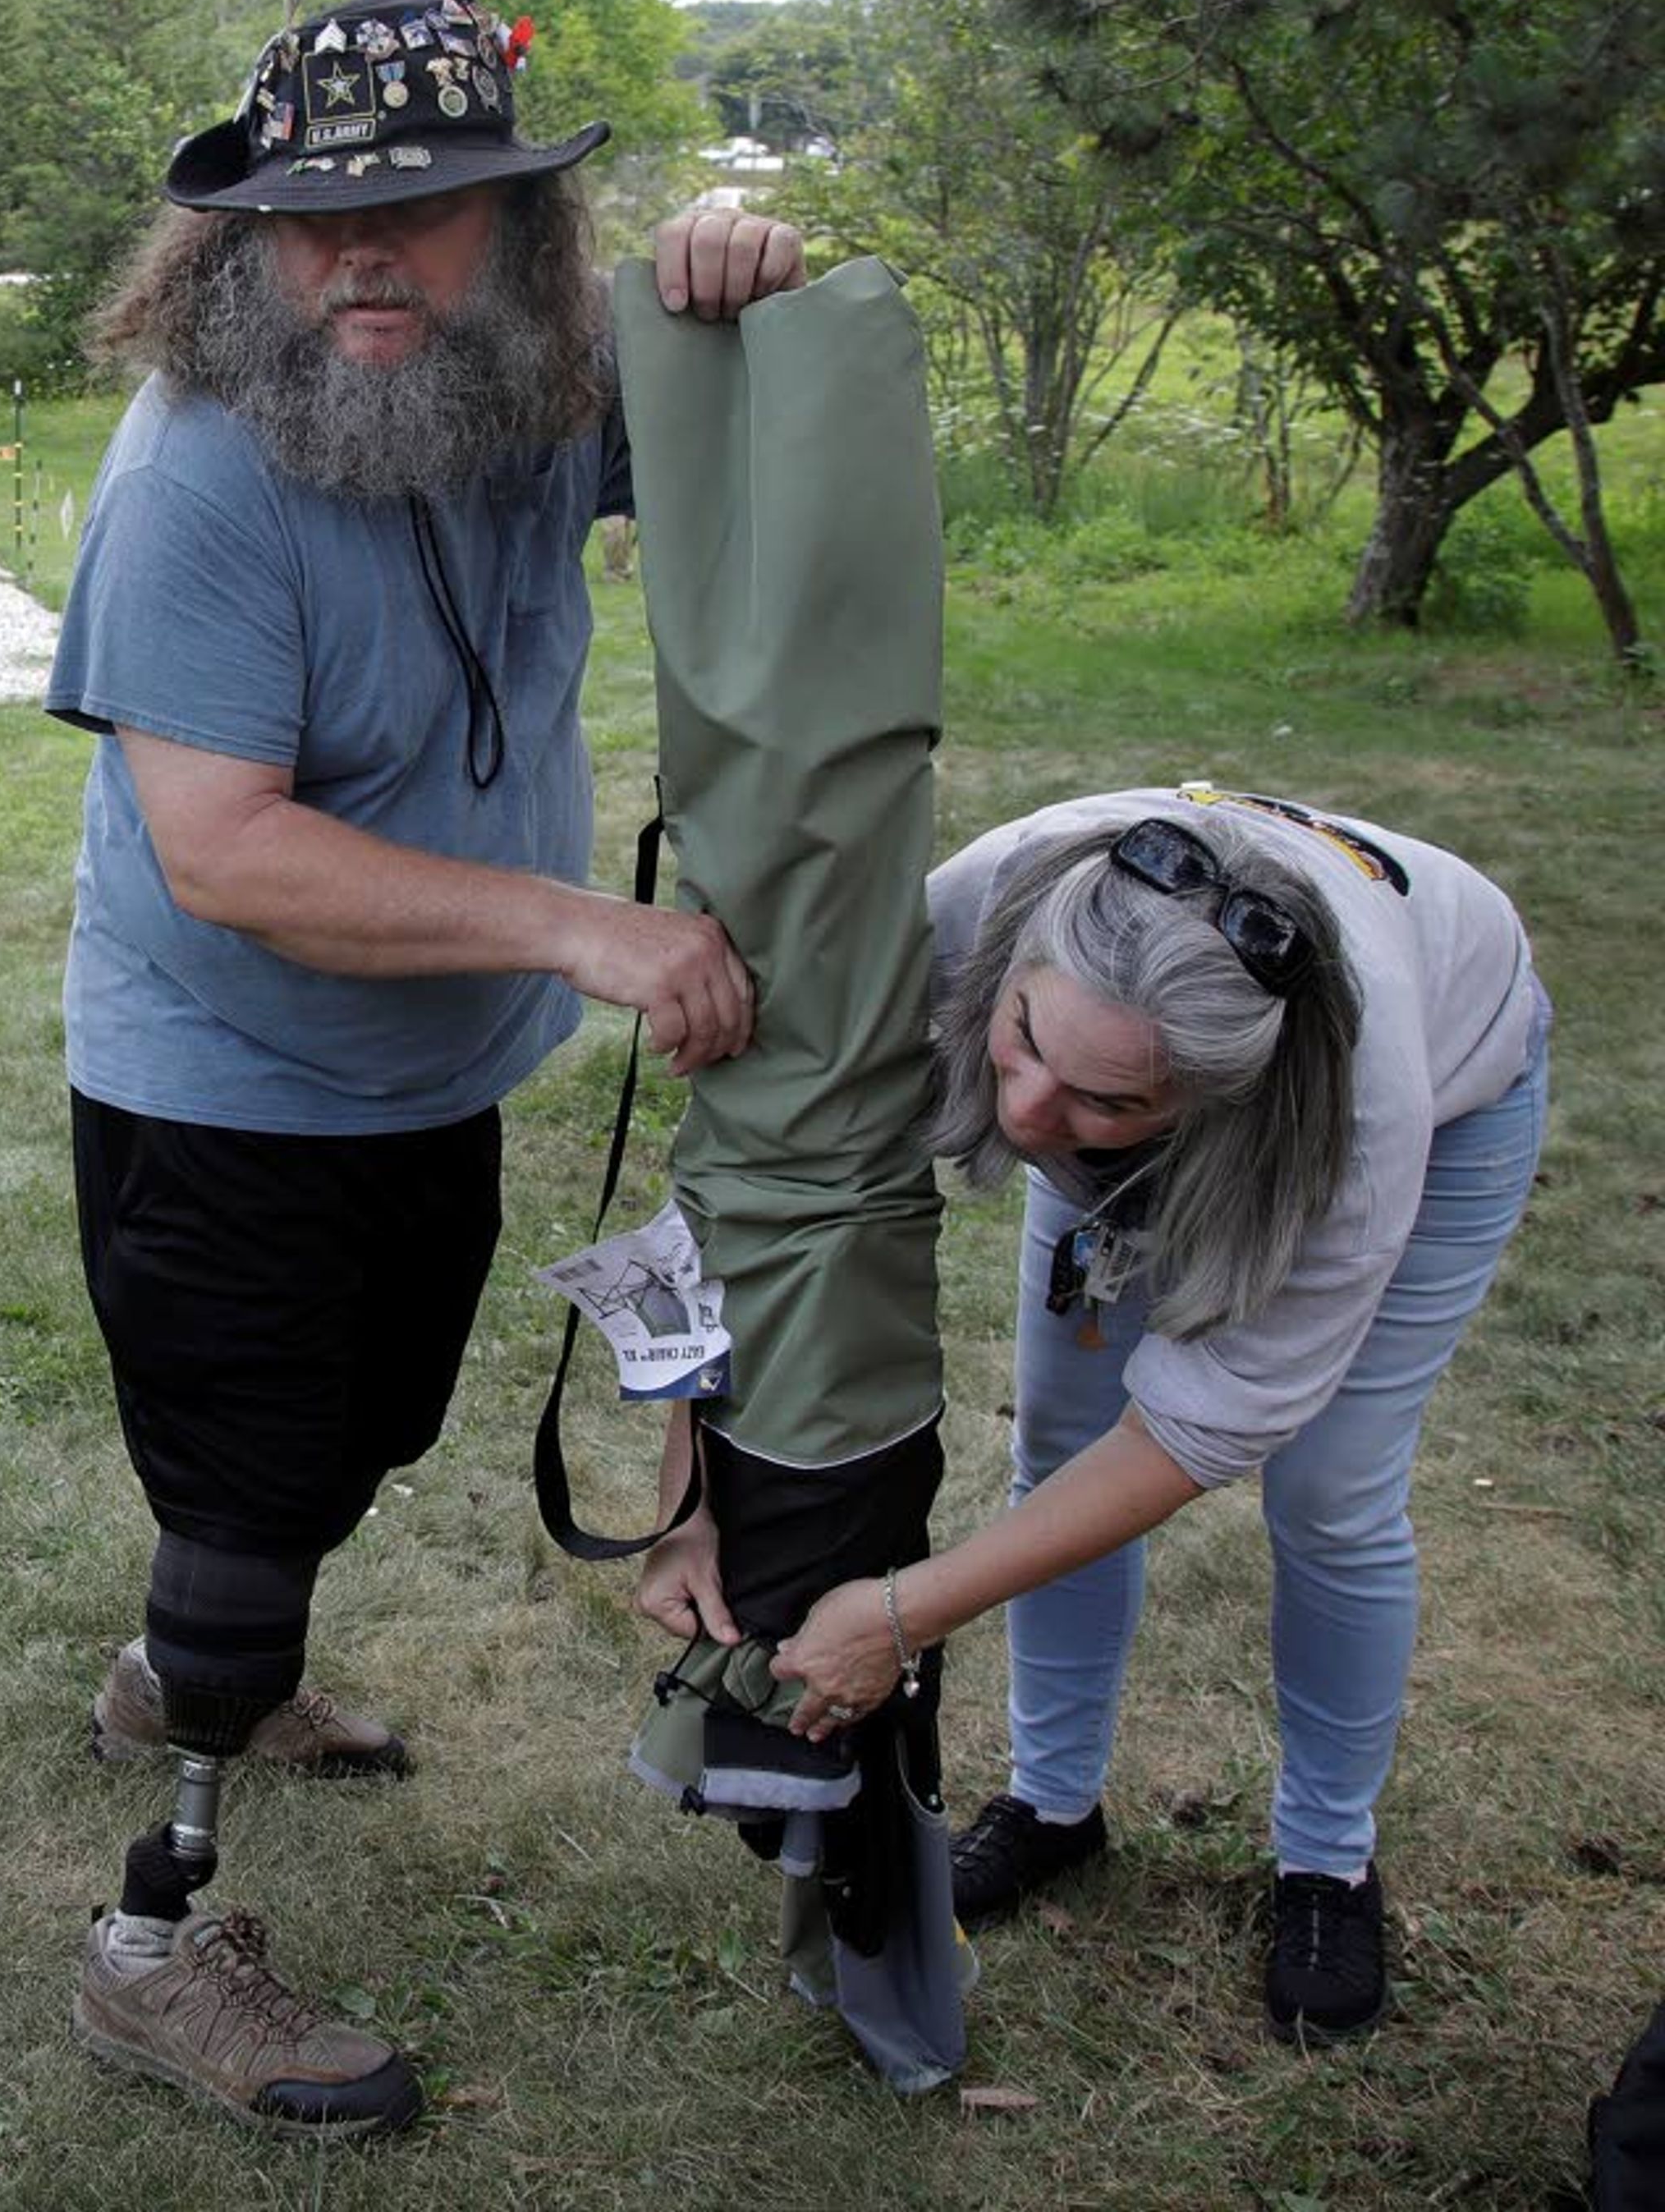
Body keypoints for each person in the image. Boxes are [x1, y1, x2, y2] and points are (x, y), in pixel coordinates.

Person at [44, 0, 803, 2140]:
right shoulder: (199, 470)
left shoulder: (543, 382)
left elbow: (748, 391)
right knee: (260, 1480)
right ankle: (155, 1939)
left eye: (428, 212)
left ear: (521, 230)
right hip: (217, 1077)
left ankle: (196, 1665)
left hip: (431, 1075)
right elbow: (226, 848)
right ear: (238, 246)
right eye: (311, 224)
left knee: (357, 1434)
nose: (362, 260)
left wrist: (748, 262)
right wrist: (589, 929)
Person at [662, 785, 1548, 2047]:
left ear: (1215, 1097)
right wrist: (686, 1488)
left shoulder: (1354, 1119)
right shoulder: (982, 909)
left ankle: (1327, 1864)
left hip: (1459, 1081)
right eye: (1018, 1039)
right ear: (1017, 962)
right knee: (1058, 1452)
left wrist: (903, 1615)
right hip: (1147, 1057)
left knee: (1332, 1491)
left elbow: (1193, 1436)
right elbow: (754, 1182)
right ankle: (1053, 1805)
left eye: (1106, 1105)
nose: (1023, 1122)